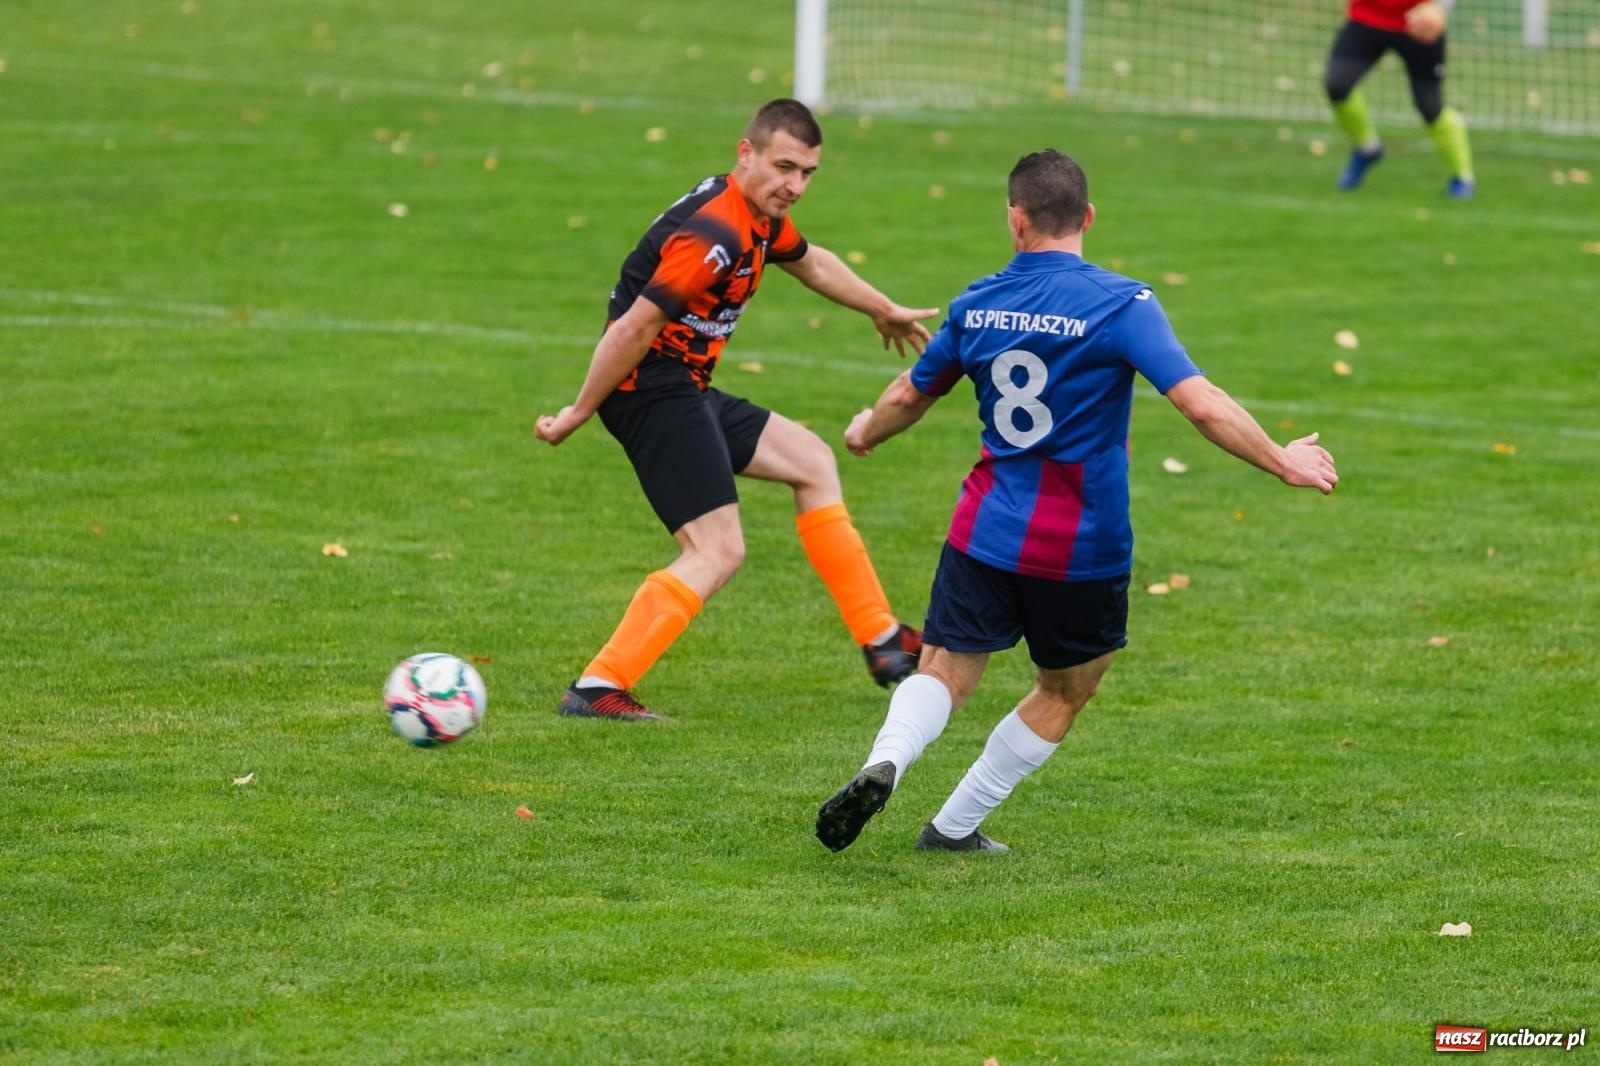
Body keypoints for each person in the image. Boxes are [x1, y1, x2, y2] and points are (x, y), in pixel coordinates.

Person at [814, 149, 1339, 853]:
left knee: (943, 669)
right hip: (1082, 548)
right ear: (1087, 217)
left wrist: (863, 432)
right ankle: (954, 828)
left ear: (1016, 220)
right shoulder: (1123, 304)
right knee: (1065, 689)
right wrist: (1283, 462)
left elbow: (909, 392)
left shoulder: (977, 303)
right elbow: (1201, 405)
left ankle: (889, 758)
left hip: (986, 531)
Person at [535, 98, 937, 722]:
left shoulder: (759, 215)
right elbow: (631, 330)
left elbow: (814, 263)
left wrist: (879, 306)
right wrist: (578, 412)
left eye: (807, 173)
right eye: (784, 167)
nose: (794, 185)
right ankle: (598, 686)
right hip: (648, 388)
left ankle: (882, 640)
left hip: (682, 384)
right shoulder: (714, 233)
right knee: (717, 549)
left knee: (811, 460)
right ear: (745, 153)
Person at [1324, 0, 1476, 198]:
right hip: (1367, 18)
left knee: (1430, 106)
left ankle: (1462, 177)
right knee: (1337, 86)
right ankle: (1368, 148)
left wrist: (1439, 7)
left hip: (1420, 20)